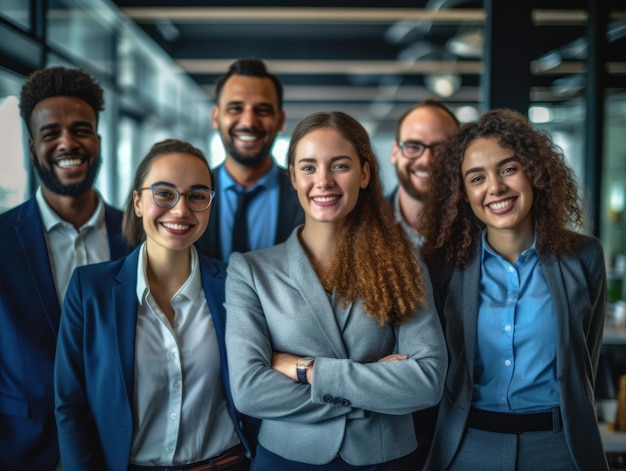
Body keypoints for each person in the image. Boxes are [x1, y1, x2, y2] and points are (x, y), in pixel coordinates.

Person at [225, 111, 447, 470]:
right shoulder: (250, 271)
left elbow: (427, 381)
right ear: (293, 177)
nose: (323, 181)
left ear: (365, 173)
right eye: (309, 167)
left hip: (385, 460)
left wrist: (306, 369)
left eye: (339, 166)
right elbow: (250, 390)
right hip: (287, 459)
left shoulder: (403, 262)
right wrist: (372, 392)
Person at [420, 108, 608, 470]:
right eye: (477, 178)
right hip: (467, 446)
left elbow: (586, 358)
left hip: (560, 449)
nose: (495, 187)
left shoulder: (584, 257)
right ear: (462, 192)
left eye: (508, 169)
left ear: (534, 173)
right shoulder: (441, 266)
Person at [54, 139, 253, 471]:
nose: (180, 210)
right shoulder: (90, 290)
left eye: (197, 196)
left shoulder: (238, 284)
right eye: (164, 193)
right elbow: (70, 405)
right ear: (137, 202)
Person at [0, 66, 129, 470]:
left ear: (98, 139)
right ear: (32, 144)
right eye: (50, 133)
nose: (67, 143)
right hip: (25, 449)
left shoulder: (138, 236)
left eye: (81, 129)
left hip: (126, 448)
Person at [195, 57, 303, 262]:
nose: (249, 122)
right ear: (216, 117)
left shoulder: (306, 195)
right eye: (235, 108)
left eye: (262, 110)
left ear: (280, 120)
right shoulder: (190, 196)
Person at [388, 98, 459, 246]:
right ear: (395, 153)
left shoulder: (483, 230)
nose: (426, 160)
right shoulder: (359, 225)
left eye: (441, 149)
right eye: (413, 147)